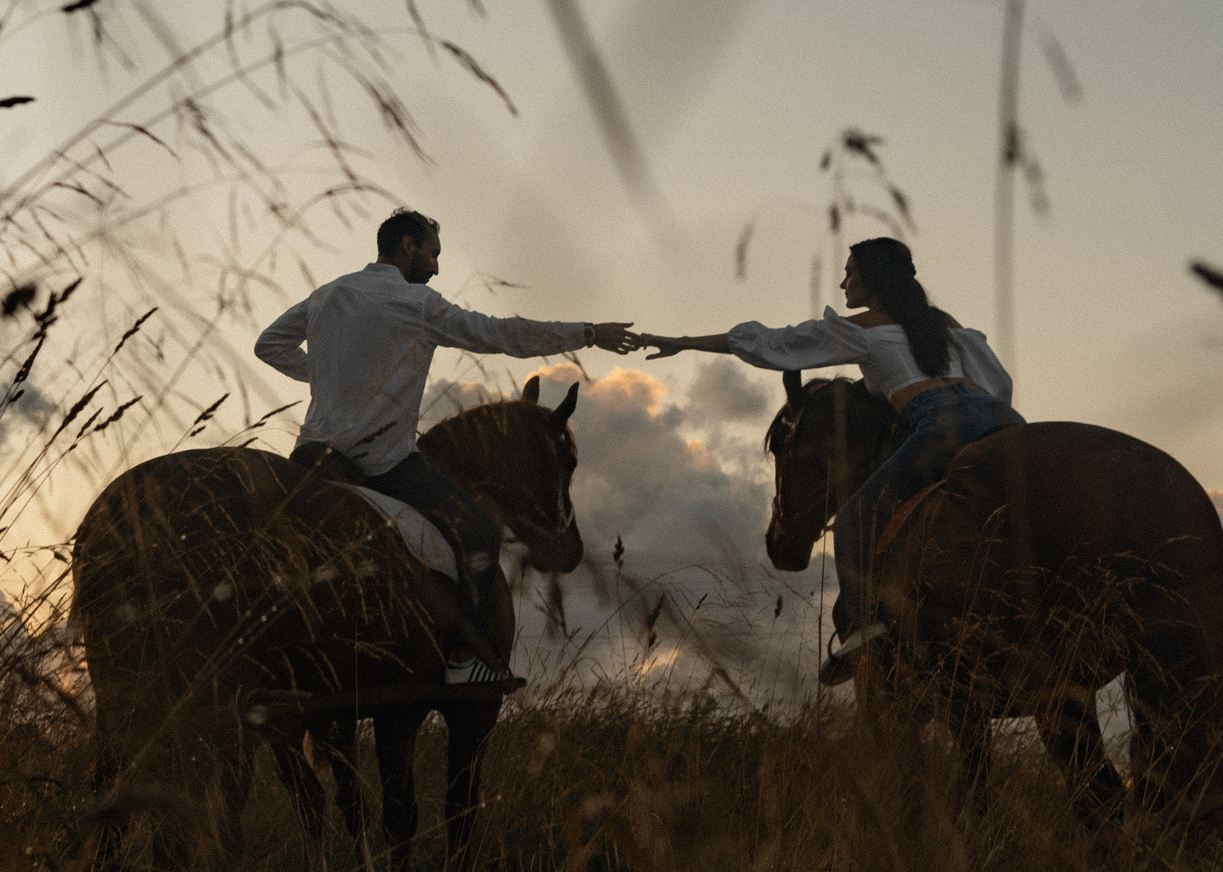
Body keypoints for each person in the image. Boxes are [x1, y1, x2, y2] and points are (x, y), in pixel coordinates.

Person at [255, 208, 637, 687]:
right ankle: (465, 658)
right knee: (479, 531)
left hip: (311, 456)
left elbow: (268, 345)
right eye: (433, 254)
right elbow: (498, 334)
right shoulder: (416, 303)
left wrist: (330, 377)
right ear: (409, 246)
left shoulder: (327, 293)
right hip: (382, 465)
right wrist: (586, 333)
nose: (436, 267)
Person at [635, 236, 1020, 686]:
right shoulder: (948, 326)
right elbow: (1000, 381)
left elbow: (773, 343)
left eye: (850, 272)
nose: (842, 283)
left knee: (857, 516)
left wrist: (682, 342)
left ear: (872, 281)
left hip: (937, 423)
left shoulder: (866, 329)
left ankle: (863, 632)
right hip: (1004, 420)